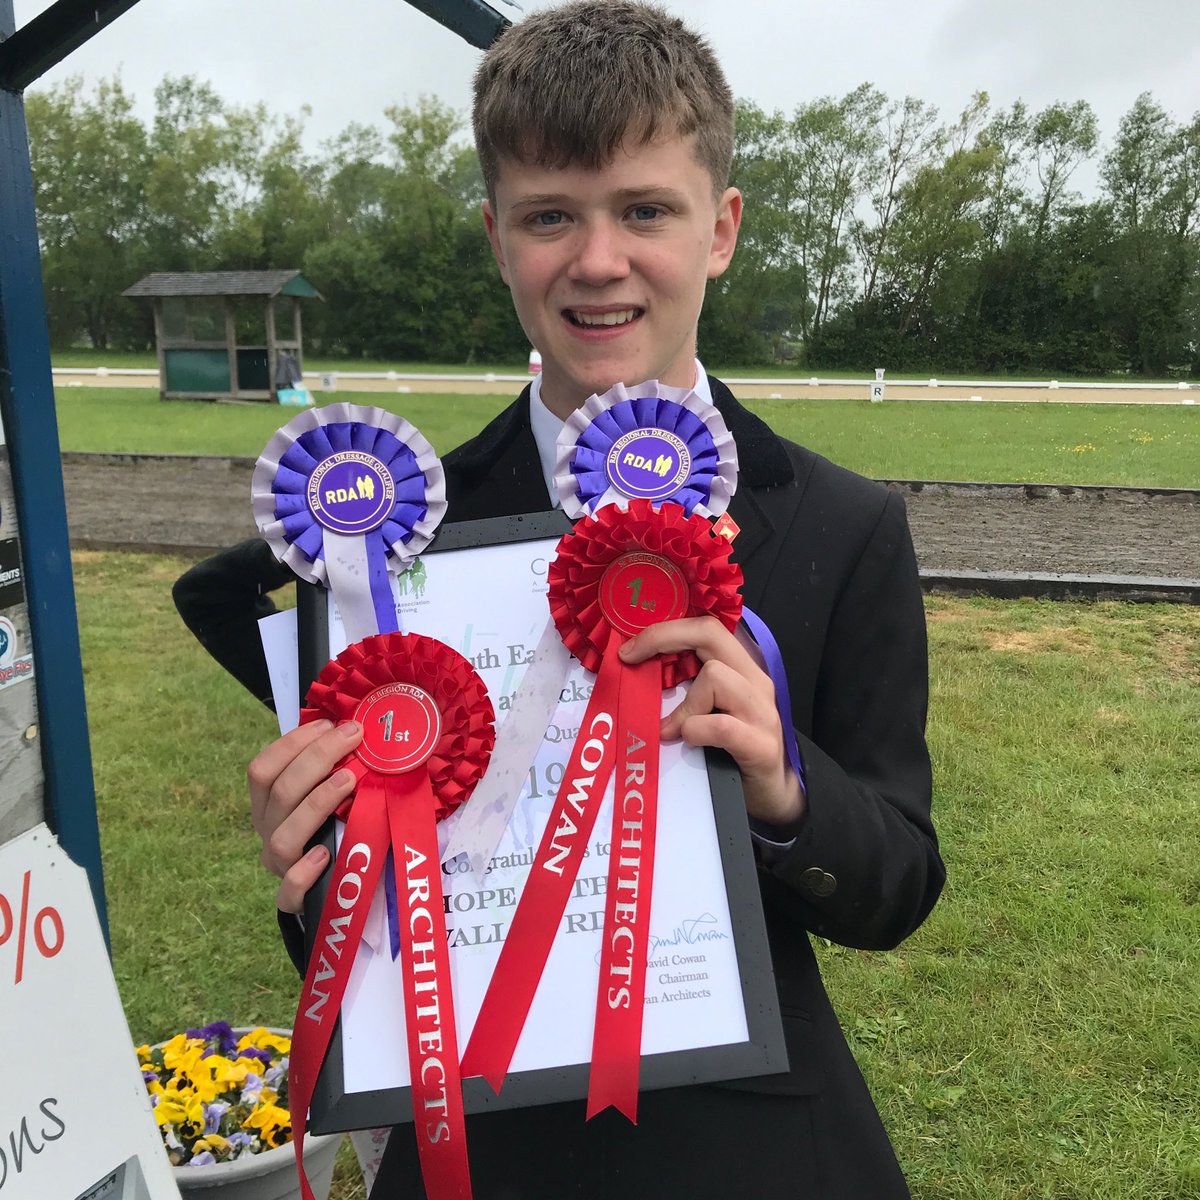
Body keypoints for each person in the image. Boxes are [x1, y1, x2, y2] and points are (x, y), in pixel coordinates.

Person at [230, 4, 945, 1196]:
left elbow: (897, 886)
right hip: (483, 1141)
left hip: (754, 1142)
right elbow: (360, 943)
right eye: (550, 215)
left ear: (719, 229)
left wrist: (784, 790)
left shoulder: (839, 524)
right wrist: (315, 869)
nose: (599, 260)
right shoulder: (382, 543)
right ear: (497, 237)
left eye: (645, 210)